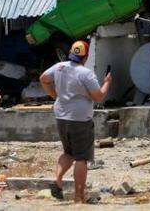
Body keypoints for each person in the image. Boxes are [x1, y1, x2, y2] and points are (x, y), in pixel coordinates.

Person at [40, 40, 112, 204]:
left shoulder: (59, 67)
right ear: (85, 57)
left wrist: (55, 95)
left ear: (71, 54)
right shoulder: (85, 73)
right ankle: (79, 197)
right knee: (81, 158)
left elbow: (43, 78)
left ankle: (57, 180)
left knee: (69, 152)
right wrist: (107, 83)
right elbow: (99, 97)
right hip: (79, 119)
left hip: (61, 117)